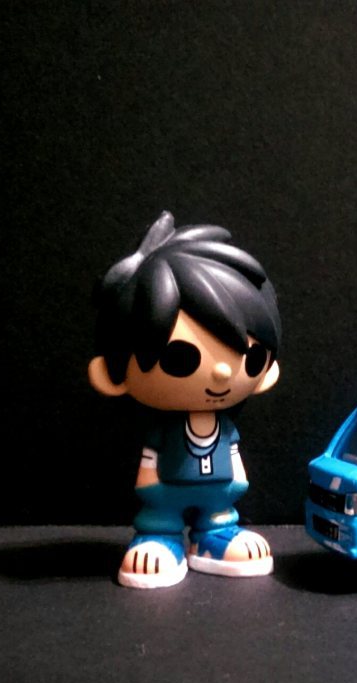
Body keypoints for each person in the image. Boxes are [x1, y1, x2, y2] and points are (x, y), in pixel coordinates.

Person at [88, 211, 282, 589]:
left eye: (251, 356)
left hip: (220, 495)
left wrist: (238, 480)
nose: (222, 372)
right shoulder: (164, 429)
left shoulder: (226, 427)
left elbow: (233, 454)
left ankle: (216, 536)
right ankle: (160, 538)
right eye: (180, 358)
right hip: (164, 493)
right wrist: (149, 487)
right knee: (159, 517)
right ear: (111, 374)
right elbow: (150, 462)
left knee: (219, 515)